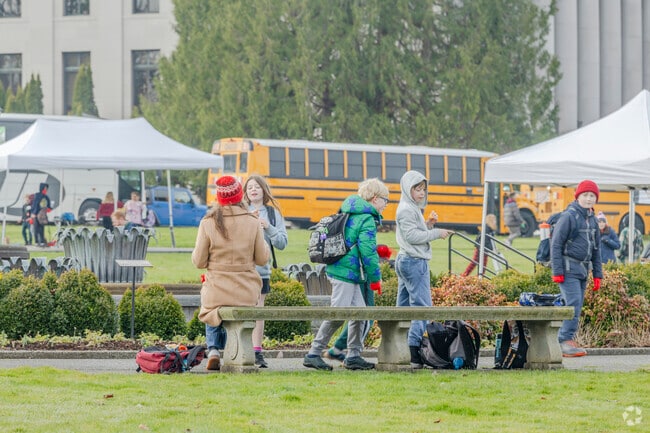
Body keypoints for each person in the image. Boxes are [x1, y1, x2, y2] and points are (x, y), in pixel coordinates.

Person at [303, 178, 388, 371]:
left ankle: (354, 355)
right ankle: (313, 353)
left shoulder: (349, 211)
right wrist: (375, 279)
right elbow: (368, 252)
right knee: (338, 314)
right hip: (345, 273)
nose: (385, 205)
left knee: (360, 313)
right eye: (385, 200)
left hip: (342, 270)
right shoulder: (366, 218)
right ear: (375, 199)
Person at [192, 175, 269, 372]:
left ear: (219, 198)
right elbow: (262, 259)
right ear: (239, 195)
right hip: (246, 290)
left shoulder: (208, 222)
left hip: (217, 289)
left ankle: (214, 350)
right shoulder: (252, 222)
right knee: (224, 304)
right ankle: (226, 350)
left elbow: (199, 262)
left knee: (211, 306)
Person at [394, 170, 451, 369]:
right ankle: (414, 352)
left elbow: (414, 232)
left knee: (402, 309)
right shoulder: (407, 210)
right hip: (414, 262)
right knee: (422, 308)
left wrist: (427, 224)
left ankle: (398, 348)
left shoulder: (410, 208)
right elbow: (412, 237)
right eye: (417, 189)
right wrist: (436, 233)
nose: (421, 193)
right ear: (407, 189)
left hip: (406, 260)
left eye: (424, 189)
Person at [238, 174, 288, 368]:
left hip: (262, 271)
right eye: (249, 187)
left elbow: (282, 243)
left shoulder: (273, 214)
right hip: (241, 270)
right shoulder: (240, 211)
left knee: (259, 311)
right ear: (245, 192)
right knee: (243, 310)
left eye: (257, 187)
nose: (253, 190)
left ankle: (257, 352)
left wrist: (268, 227)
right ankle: (241, 349)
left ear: (264, 190)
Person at [551, 180, 602, 358]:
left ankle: (564, 339)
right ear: (578, 196)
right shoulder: (569, 216)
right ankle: (564, 341)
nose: (589, 199)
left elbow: (596, 250)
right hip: (567, 269)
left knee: (576, 305)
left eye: (592, 196)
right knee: (572, 302)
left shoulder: (592, 219)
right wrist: (557, 272)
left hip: (582, 270)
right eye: (585, 195)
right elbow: (556, 244)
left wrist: (598, 274)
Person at [322, 244, 393, 363]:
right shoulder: (365, 225)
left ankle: (337, 350)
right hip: (360, 270)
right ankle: (346, 352)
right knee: (365, 316)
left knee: (358, 316)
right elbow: (366, 245)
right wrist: (375, 278)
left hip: (350, 267)